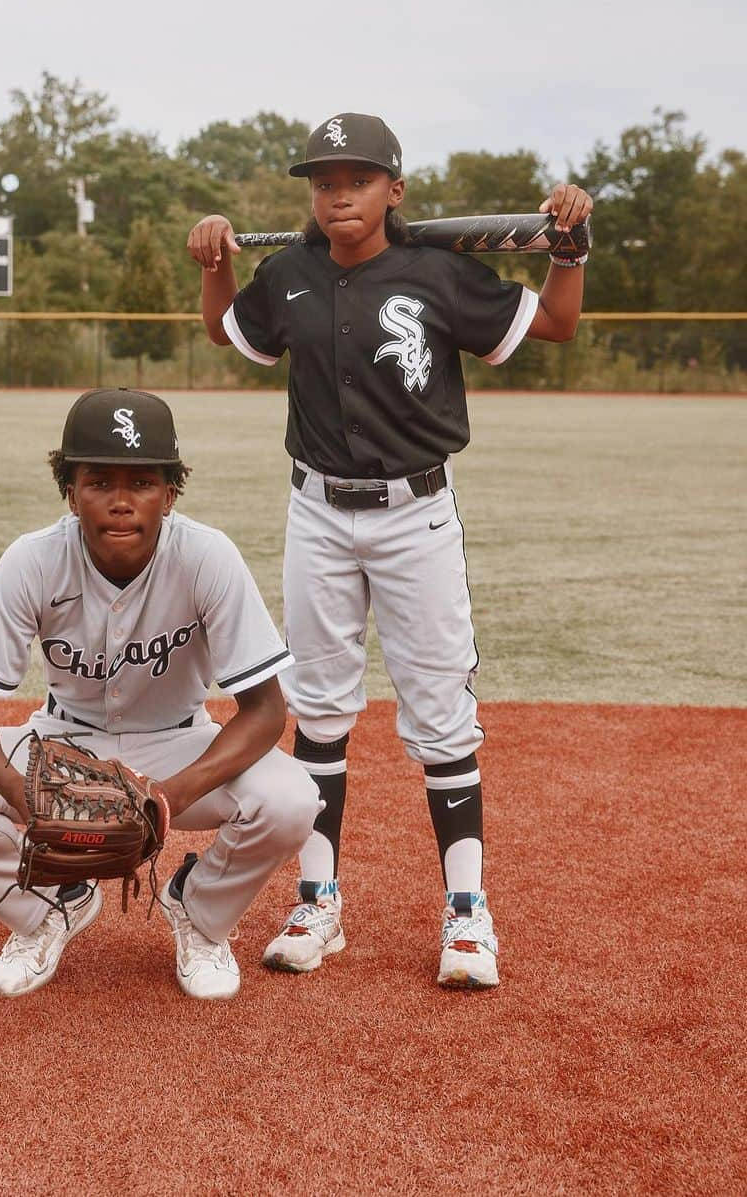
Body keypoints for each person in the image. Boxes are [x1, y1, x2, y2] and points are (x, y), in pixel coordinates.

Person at [187, 112, 593, 988]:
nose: (337, 192)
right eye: (323, 179)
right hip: (318, 513)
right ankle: (318, 899)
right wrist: (216, 268)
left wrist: (568, 252)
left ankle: (467, 913)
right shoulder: (287, 273)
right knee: (320, 710)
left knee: (441, 712)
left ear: (393, 190)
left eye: (357, 178)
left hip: (416, 513)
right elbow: (229, 331)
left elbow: (556, 325)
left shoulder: (439, 273)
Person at [0, 387, 319, 1001]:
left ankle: (199, 915)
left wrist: (168, 798)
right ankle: (46, 908)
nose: (121, 502)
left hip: (179, 743)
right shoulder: (34, 560)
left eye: (143, 481)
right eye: (99, 481)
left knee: (291, 801)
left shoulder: (207, 557)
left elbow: (266, 712)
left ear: (171, 491)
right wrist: (26, 798)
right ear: (69, 490)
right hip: (60, 746)